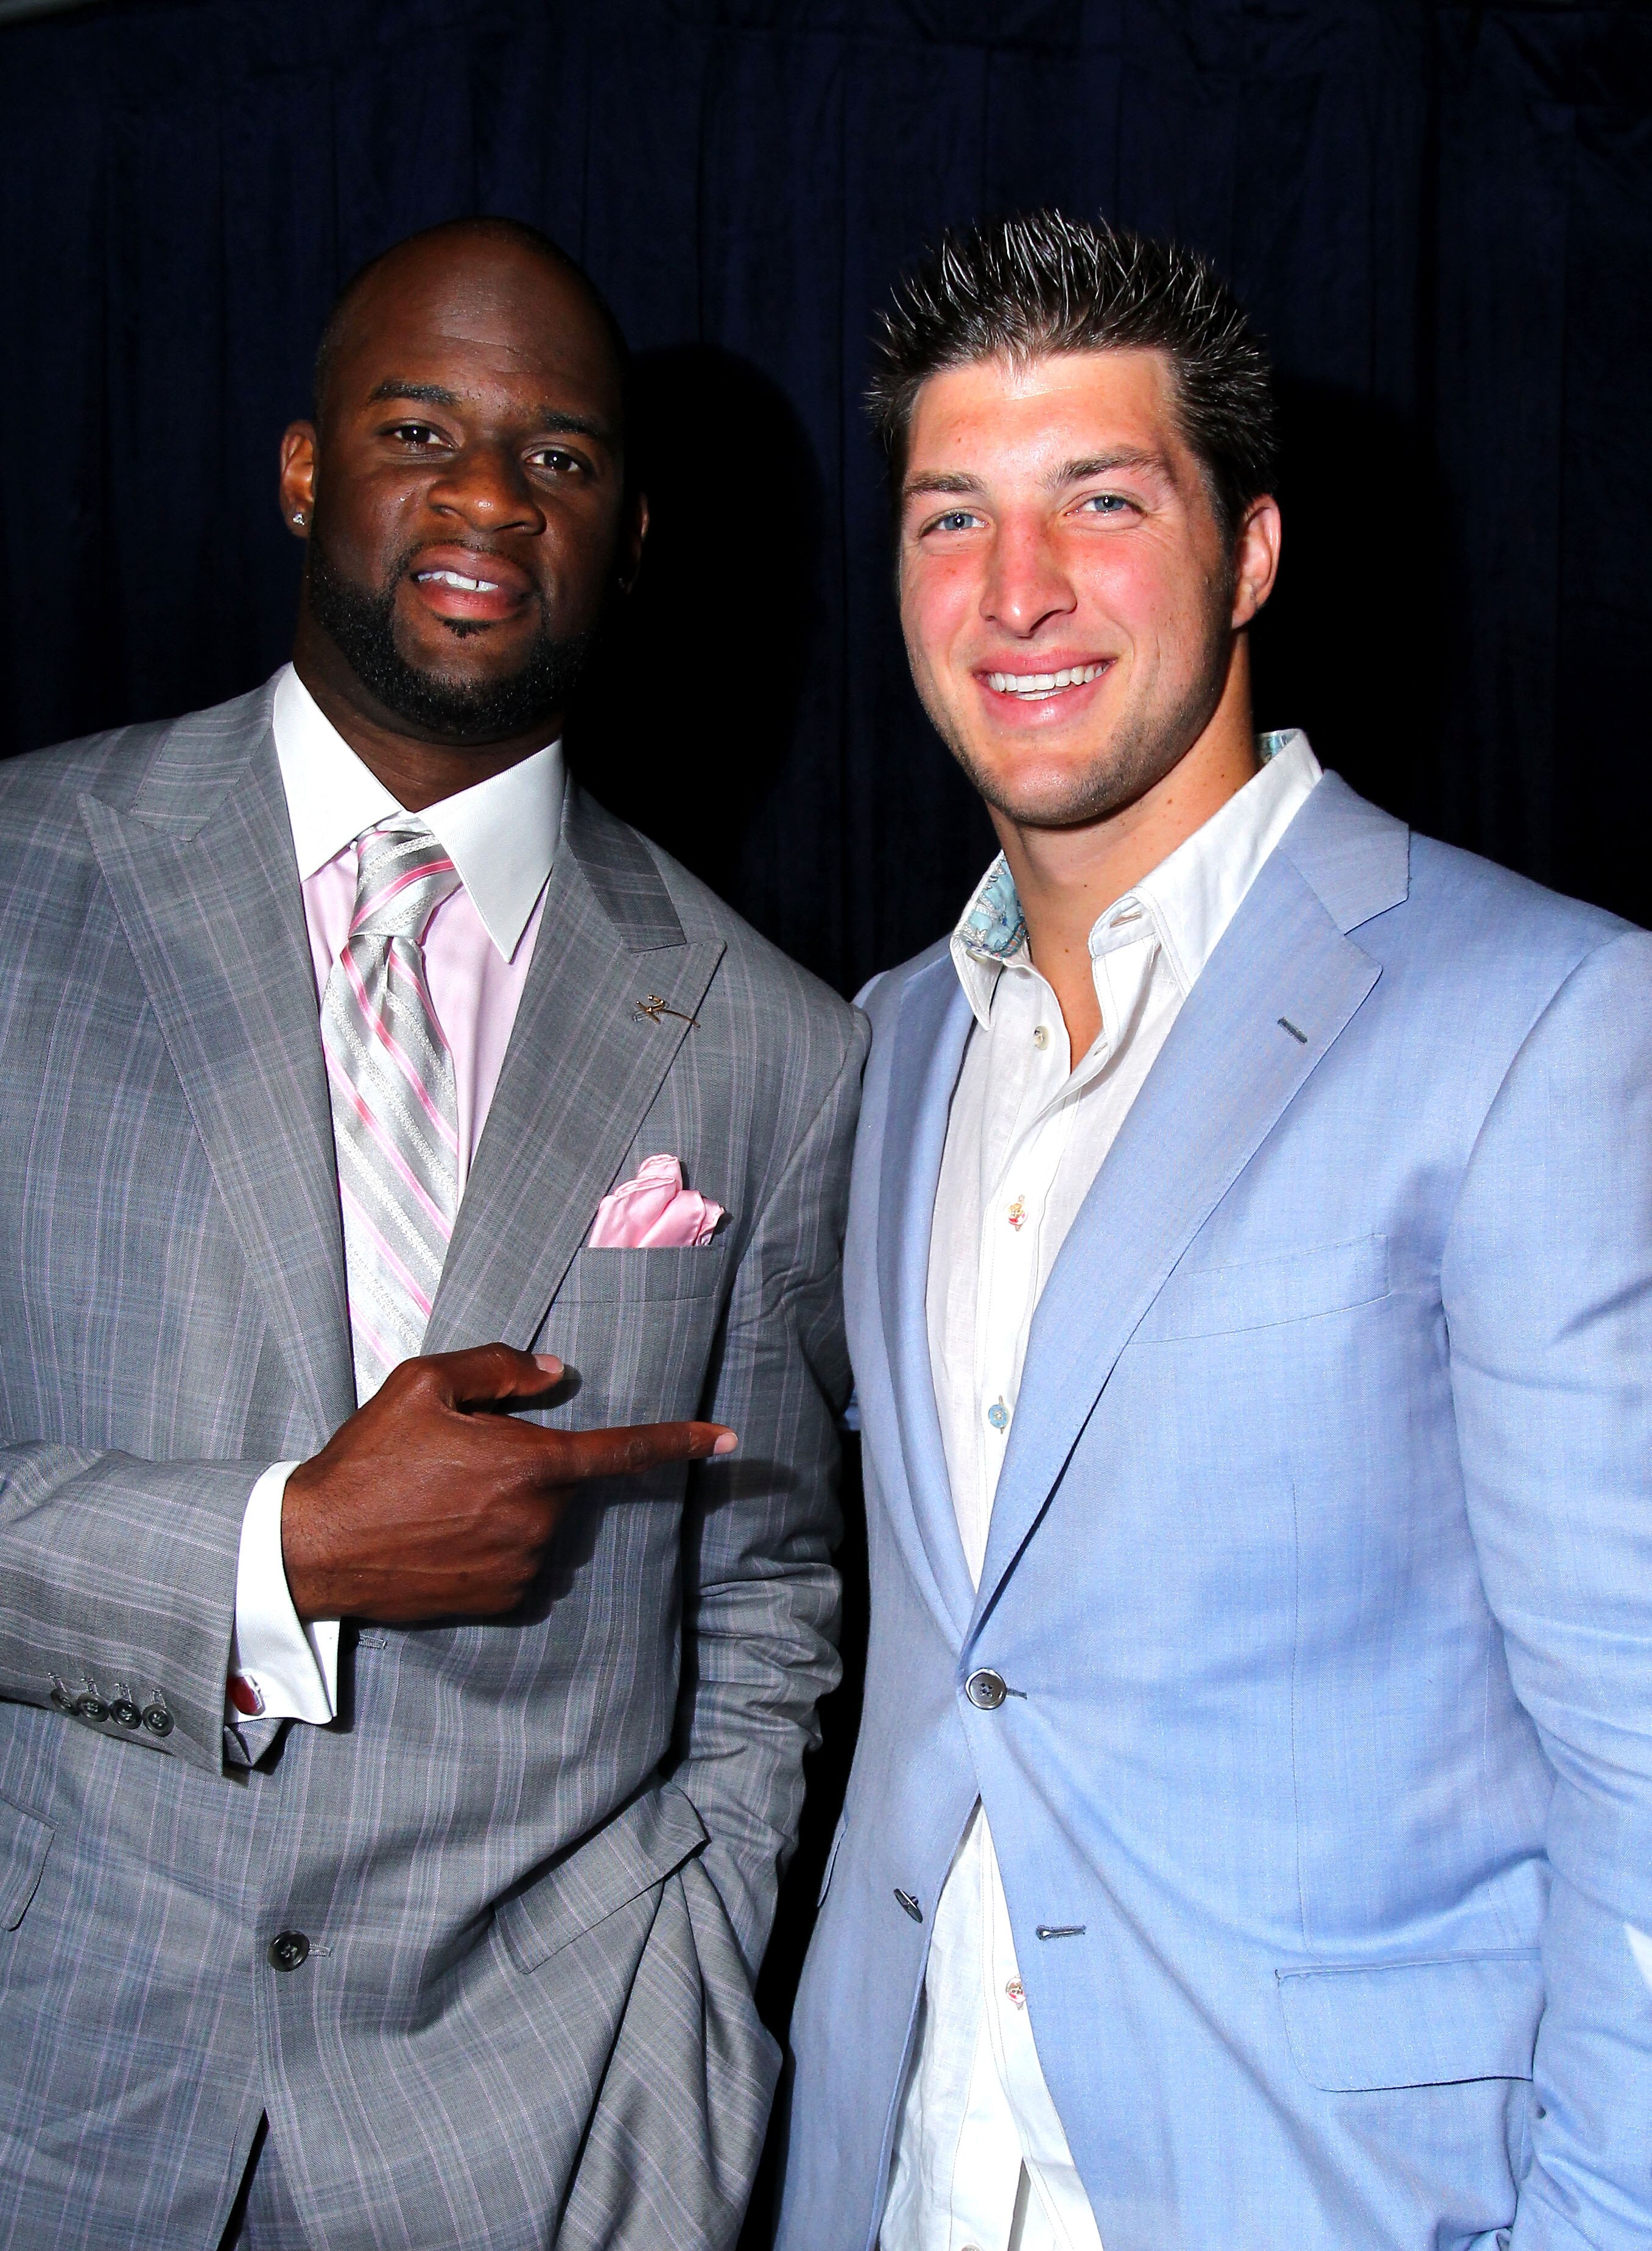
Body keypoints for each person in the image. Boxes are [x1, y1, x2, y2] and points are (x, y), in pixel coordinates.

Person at [0, 216, 862, 2250]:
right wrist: (271, 1552)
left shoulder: (773, 1046)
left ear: (630, 532)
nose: (487, 494)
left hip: (528, 2139)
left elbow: (769, 1594)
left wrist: (689, 1995)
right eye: (421, 428)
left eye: (560, 456)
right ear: (306, 471)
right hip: (31, 2093)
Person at [778, 210, 1652, 2250]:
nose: (1018, 594)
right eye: (949, 518)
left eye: (1101, 500)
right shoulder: (892, 1038)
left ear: (1248, 550)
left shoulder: (1541, 1014)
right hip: (906, 2171)